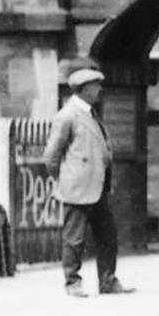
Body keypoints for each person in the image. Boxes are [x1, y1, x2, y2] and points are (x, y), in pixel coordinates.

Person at [45, 62, 125, 296]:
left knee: (108, 235)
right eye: (96, 86)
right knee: (74, 238)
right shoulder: (67, 115)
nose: (100, 89)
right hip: (78, 187)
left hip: (97, 186)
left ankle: (108, 281)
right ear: (84, 89)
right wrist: (65, 179)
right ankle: (72, 283)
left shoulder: (91, 113)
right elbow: (51, 155)